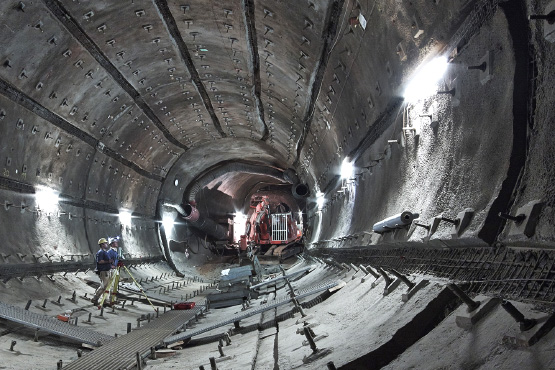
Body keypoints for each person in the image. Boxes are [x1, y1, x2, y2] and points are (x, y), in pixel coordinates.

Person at [91, 238, 113, 305]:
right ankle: (95, 298)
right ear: (102, 244)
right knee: (103, 286)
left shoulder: (104, 252)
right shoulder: (101, 252)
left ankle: (105, 300)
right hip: (103, 271)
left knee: (107, 286)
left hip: (107, 271)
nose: (107, 244)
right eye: (106, 243)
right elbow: (99, 261)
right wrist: (108, 261)